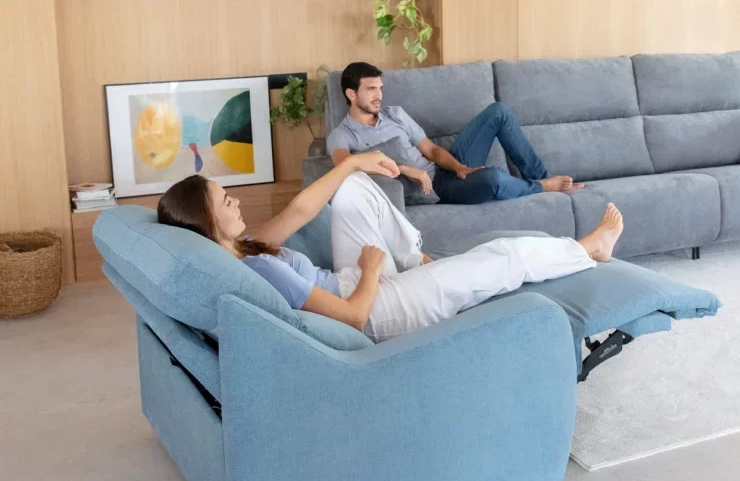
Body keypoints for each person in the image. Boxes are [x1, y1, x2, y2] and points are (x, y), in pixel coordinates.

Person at [157, 152, 624, 343]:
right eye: (225, 200)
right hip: (375, 307)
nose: (235, 200)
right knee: (500, 256)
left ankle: (415, 258)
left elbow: (300, 210)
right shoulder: (260, 271)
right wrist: (370, 270)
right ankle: (588, 249)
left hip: (352, 283)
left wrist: (353, 164)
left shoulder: (240, 250)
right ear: (207, 221)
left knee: (354, 189)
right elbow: (354, 318)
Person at [327, 62, 584, 206]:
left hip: (445, 170)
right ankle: (541, 187)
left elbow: (431, 150)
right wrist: (405, 169)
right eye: (371, 89)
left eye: (380, 88)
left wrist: (460, 167)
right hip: (435, 188)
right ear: (351, 94)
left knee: (499, 112)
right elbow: (346, 167)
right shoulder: (342, 135)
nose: (379, 95)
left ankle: (541, 178)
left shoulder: (394, 114)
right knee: (493, 178)